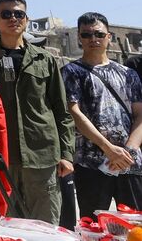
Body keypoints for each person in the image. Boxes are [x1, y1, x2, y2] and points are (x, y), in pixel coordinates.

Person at [0, 0, 74, 225]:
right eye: (6, 14)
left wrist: (66, 155)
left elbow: (61, 111)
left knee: (45, 226)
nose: (13, 18)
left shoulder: (45, 59)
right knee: (7, 227)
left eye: (19, 14)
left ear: (26, 18)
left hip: (42, 156)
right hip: (1, 156)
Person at [61, 12, 142, 220]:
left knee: (136, 225)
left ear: (109, 36)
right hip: (91, 163)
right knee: (94, 226)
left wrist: (129, 151)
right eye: (86, 35)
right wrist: (109, 149)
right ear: (79, 38)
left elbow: (139, 115)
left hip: (129, 163)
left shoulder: (128, 73)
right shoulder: (70, 72)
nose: (93, 39)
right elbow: (74, 113)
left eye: (98, 33)